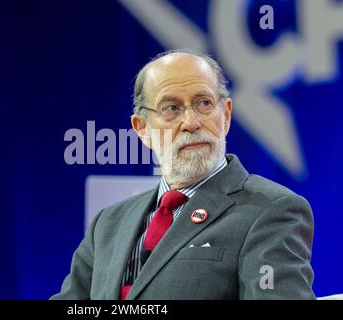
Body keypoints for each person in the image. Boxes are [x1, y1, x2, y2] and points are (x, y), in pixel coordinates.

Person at [51, 50, 315, 300]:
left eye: (204, 103)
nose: (191, 122)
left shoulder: (271, 210)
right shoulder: (108, 223)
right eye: (172, 108)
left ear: (226, 115)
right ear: (142, 128)